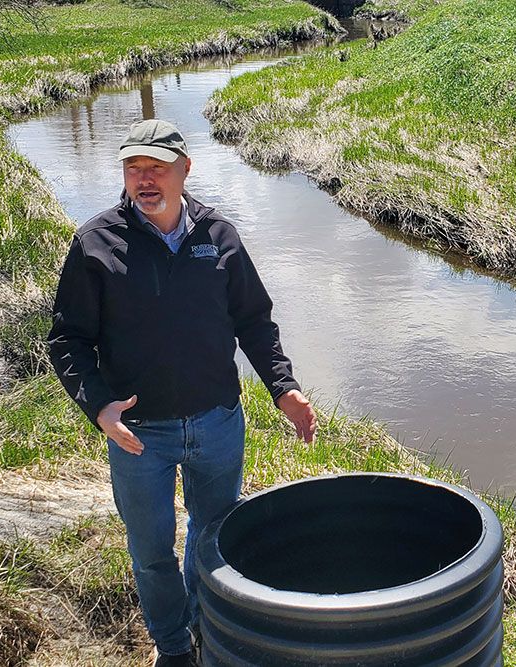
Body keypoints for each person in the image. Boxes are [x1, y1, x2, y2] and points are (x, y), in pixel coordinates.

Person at [47, 119, 317, 666]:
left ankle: (204, 625)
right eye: (133, 167)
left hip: (217, 422)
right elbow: (67, 338)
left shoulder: (219, 235)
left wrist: (283, 388)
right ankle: (173, 648)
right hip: (138, 437)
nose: (144, 180)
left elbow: (254, 321)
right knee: (150, 555)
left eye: (157, 168)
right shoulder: (96, 243)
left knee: (213, 539)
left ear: (185, 170)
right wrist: (99, 408)